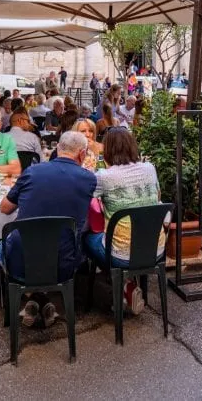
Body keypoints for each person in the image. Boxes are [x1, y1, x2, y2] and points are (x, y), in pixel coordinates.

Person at [0, 131, 96, 328]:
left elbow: (4, 208)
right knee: (60, 246)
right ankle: (44, 300)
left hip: (21, 261)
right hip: (64, 264)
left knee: (1, 246)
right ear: (82, 154)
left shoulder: (33, 172)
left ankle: (33, 299)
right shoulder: (89, 179)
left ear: (57, 149)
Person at [83, 128, 163, 314]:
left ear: (108, 150)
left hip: (121, 253)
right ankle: (127, 284)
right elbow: (157, 196)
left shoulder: (104, 176)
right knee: (119, 234)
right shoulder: (150, 168)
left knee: (87, 237)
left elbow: (84, 199)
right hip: (155, 249)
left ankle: (117, 284)